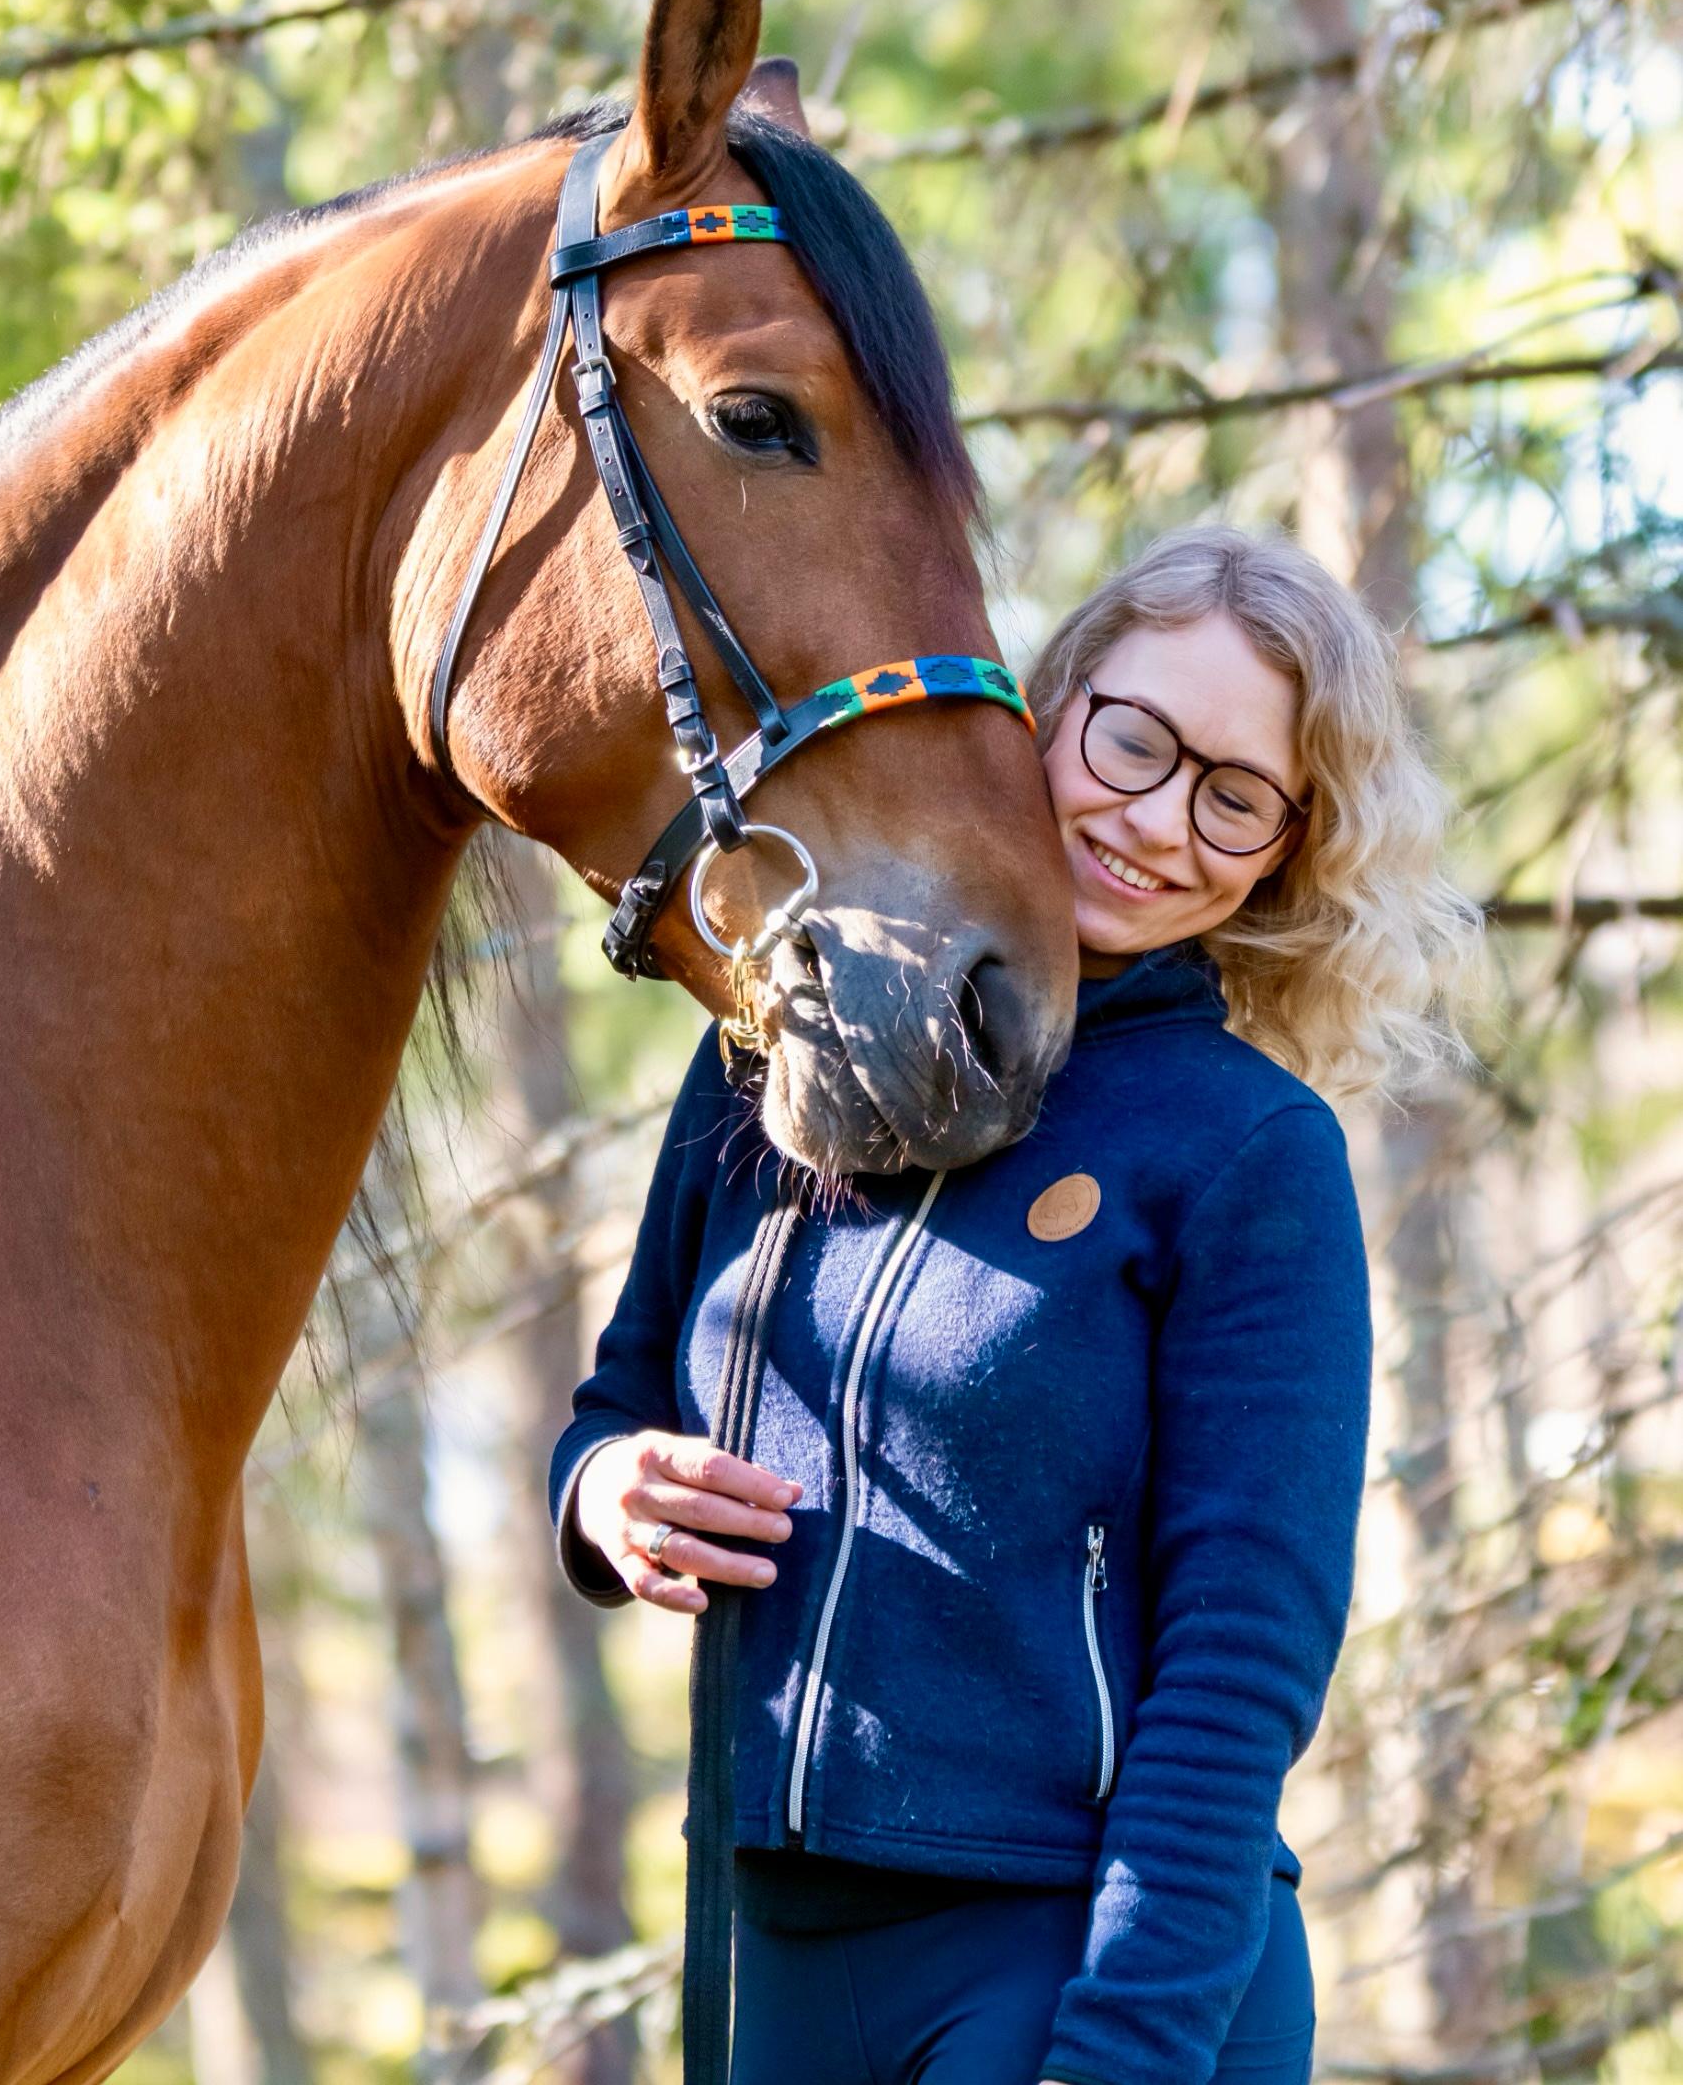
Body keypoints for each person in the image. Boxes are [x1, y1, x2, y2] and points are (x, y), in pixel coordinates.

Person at [548, 521, 1478, 2085]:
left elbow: (1242, 1666)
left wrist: (1119, 2050)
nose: (1159, 820)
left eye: (1234, 796)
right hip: (764, 1949)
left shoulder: (1245, 1151)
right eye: (1134, 741)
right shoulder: (780, 1056)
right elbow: (619, 1396)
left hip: (1076, 1974)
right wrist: (600, 1494)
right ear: (1047, 707)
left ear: (1285, 850)